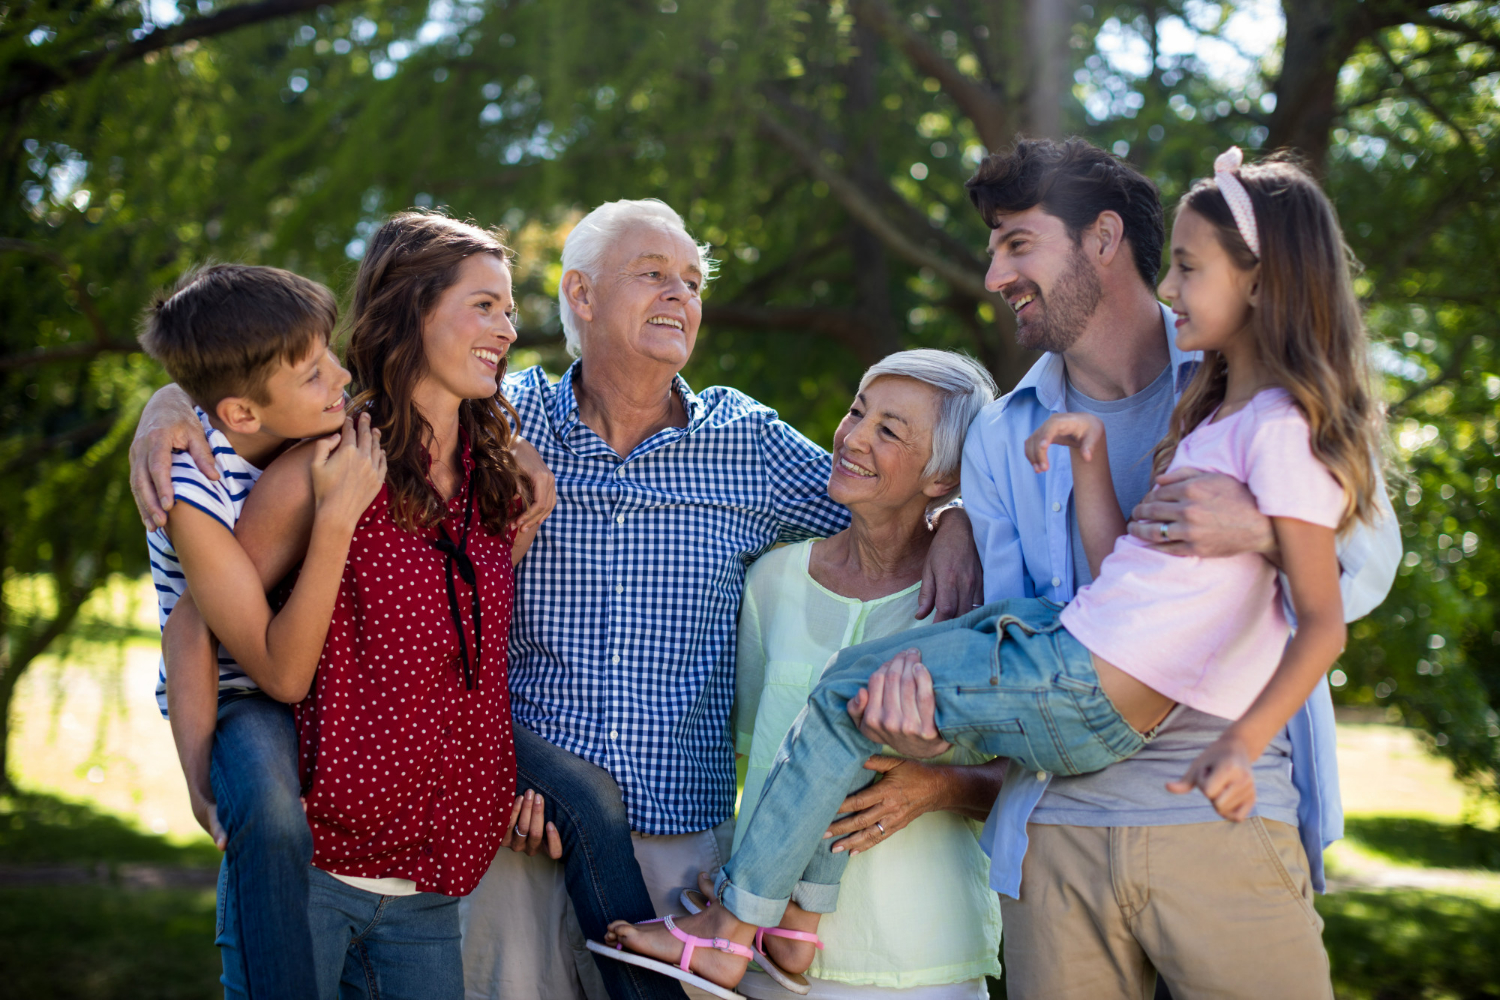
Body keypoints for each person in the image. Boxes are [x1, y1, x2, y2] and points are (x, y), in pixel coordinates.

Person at [128, 198, 983, 1000]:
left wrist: (954, 519)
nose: (679, 294)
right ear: (581, 293)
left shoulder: (745, 443)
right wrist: (171, 403)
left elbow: (886, 483)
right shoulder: (501, 418)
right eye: (653, 272)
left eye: (693, 281)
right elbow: (289, 388)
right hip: (502, 830)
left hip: (674, 844)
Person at [601, 147, 1393, 1000]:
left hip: (1222, 816)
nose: (992, 276)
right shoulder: (998, 436)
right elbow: (1052, 621)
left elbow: (1363, 564)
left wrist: (1261, 530)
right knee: (863, 693)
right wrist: (956, 524)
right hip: (1058, 830)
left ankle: (740, 925)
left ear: (1103, 238)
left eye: (1017, 244)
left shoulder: (1247, 385)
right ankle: (780, 921)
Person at [214, 213, 540, 998]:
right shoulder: (322, 467)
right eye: (484, 305)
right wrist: (215, 784)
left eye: (511, 310)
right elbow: (204, 623)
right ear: (413, 309)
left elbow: (468, 659)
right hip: (313, 876)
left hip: (433, 886)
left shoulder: (500, 483)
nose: (507, 328)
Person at [140, 263, 387, 1000]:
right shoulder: (189, 489)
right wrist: (196, 778)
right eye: (315, 374)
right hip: (239, 690)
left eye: (329, 355)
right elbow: (196, 641)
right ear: (243, 414)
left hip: (329, 666)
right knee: (273, 819)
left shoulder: (299, 417)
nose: (340, 378)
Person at [725, 349, 1003, 1000]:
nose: (851, 437)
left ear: (944, 478)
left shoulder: (980, 599)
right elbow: (748, 763)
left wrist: (938, 786)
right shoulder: (773, 582)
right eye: (858, 411)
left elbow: (1041, 779)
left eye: (889, 430)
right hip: (766, 962)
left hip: (923, 963)